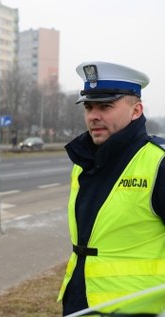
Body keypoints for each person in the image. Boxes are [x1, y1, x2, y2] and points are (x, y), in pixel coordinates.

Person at [58, 61, 165, 315]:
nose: (93, 116)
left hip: (138, 309)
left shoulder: (158, 163)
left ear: (136, 110)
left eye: (105, 106)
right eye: (88, 106)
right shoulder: (84, 162)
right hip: (80, 304)